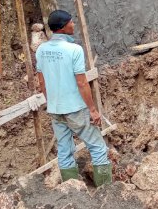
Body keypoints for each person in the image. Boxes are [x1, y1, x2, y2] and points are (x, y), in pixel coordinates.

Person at [36, 10, 112, 185]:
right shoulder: (74, 50)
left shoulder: (42, 50)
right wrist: (92, 110)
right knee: (97, 146)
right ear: (63, 27)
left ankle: (71, 191)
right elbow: (82, 83)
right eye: (71, 22)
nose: (73, 24)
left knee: (64, 150)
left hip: (55, 109)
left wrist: (52, 103)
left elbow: (42, 82)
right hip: (75, 109)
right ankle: (106, 192)